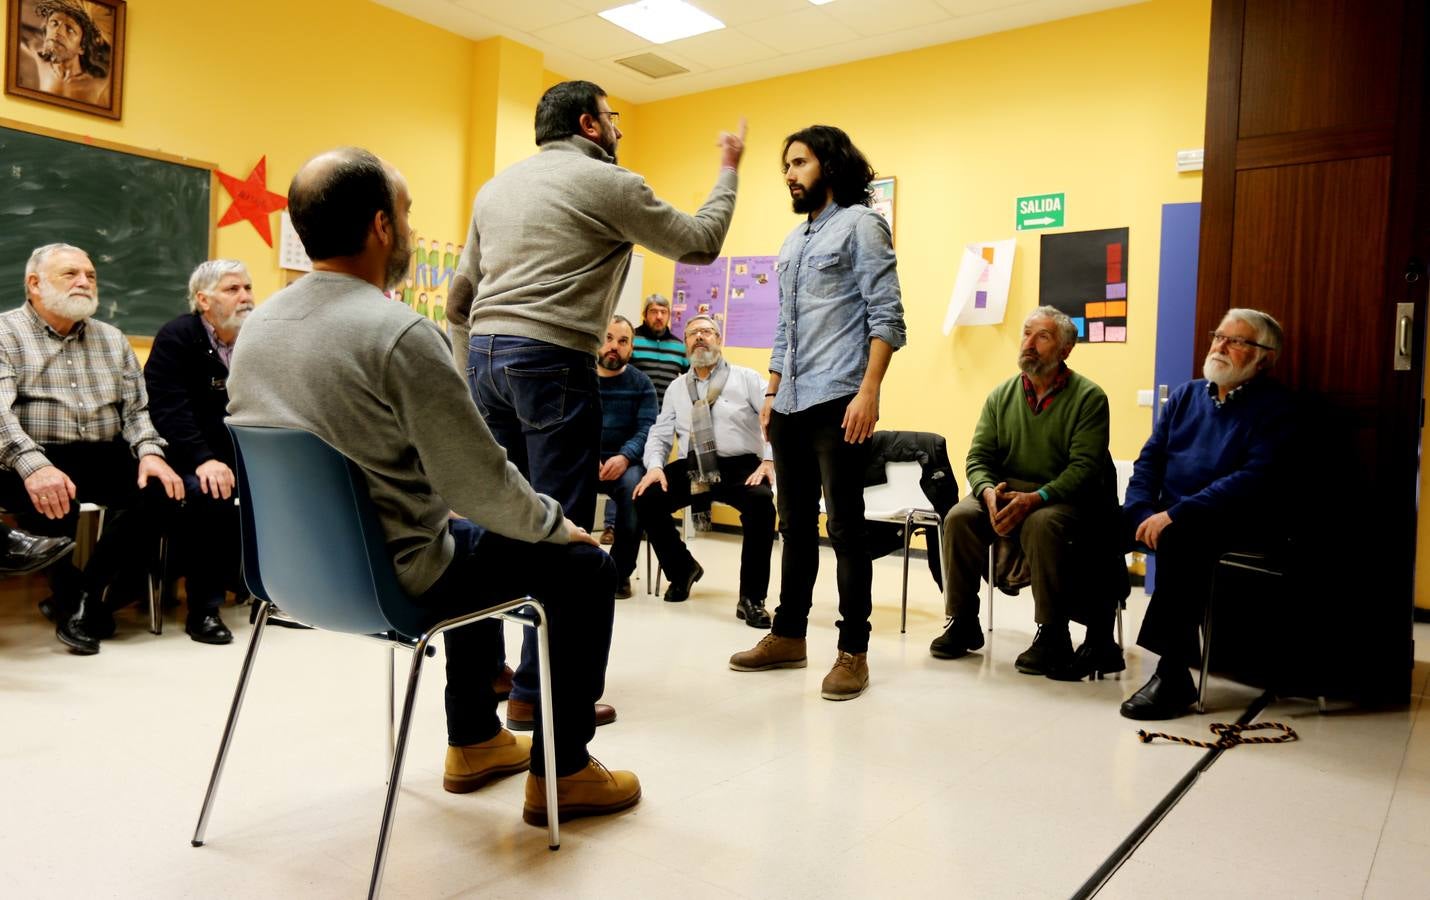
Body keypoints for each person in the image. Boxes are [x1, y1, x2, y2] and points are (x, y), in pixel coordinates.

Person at [226, 146, 639, 826]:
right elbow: (477, 481)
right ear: (382, 227)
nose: (412, 231)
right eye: (409, 214)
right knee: (583, 567)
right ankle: (563, 773)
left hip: (289, 579)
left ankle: (476, 741)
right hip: (396, 578)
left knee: (461, 537)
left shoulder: (257, 329)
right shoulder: (396, 331)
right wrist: (551, 523)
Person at [447, 79, 746, 728]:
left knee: (493, 518)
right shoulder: (611, 183)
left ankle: (486, 671)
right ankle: (534, 694)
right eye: (612, 119)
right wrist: (728, 171)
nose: (617, 130)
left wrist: (467, 371)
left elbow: (457, 300)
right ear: (588, 124)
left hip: (484, 360)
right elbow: (699, 241)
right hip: (552, 358)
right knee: (560, 530)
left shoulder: (493, 190)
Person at [729, 125, 905, 701]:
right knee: (794, 526)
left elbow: (887, 314)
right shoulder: (791, 241)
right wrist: (772, 392)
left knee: (847, 528)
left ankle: (853, 650)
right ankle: (788, 634)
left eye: (799, 163)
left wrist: (870, 391)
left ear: (828, 165)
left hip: (840, 399)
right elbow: (784, 326)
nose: (789, 174)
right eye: (785, 165)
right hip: (793, 403)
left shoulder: (863, 225)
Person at [0, 243, 185, 655]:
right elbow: (0, 414)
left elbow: (136, 411)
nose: (85, 281)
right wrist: (34, 466)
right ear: (34, 283)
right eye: (71, 274)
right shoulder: (5, 332)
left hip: (102, 451)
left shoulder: (112, 339)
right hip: (30, 454)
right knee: (53, 498)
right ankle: (72, 598)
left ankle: (89, 594)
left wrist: (151, 453)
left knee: (165, 489)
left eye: (90, 275)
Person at [930, 306, 1128, 681]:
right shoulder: (1001, 395)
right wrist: (987, 492)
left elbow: (1085, 469)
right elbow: (979, 456)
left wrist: (1036, 498)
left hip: (1064, 498)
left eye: (1043, 337)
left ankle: (1052, 634)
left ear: (1065, 350)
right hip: (1005, 492)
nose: (1029, 344)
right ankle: (962, 621)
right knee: (959, 517)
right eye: (1026, 334)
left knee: (1042, 523)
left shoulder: (1089, 398)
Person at [1119, 309, 1290, 720]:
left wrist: (1175, 514)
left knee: (1182, 540)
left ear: (1263, 357)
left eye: (1236, 341)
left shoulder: (1277, 407)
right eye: (1218, 336)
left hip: (1234, 520)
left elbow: (1251, 479)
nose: (1220, 346)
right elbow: (1150, 460)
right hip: (1170, 512)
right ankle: (1095, 641)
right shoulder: (1186, 396)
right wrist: (1141, 509)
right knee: (1093, 525)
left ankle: (1174, 674)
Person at [634, 314, 776, 627]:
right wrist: (654, 467)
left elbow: (773, 418)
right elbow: (660, 432)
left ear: (719, 339)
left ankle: (751, 598)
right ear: (685, 344)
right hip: (693, 465)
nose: (700, 337)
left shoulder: (747, 379)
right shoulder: (675, 388)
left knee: (762, 504)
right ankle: (682, 569)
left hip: (740, 465)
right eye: (692, 333)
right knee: (647, 497)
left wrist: (768, 461)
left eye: (707, 332)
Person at [143, 259, 256, 645]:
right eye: (232, 289)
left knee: (287, 490)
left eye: (247, 288)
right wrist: (204, 458)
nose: (245, 297)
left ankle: (266, 592)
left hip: (239, 455)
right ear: (203, 300)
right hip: (185, 454)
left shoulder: (254, 339)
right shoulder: (178, 336)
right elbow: (168, 410)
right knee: (212, 493)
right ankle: (204, 610)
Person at [594, 315, 656, 598]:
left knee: (635, 492)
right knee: (558, 487)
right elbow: (568, 424)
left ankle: (619, 574)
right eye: (608, 338)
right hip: (586, 460)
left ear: (631, 348)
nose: (613, 347)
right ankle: (574, 567)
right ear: (597, 341)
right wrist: (586, 456)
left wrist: (624, 456)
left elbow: (647, 428)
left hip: (626, 461)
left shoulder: (642, 384)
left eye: (622, 341)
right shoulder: (580, 379)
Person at [18, 0, 114, 107]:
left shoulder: (99, 87)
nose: (58, 31)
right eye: (54, 23)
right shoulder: (39, 55)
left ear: (82, 47)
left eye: (70, 30)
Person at [631, 293, 689, 399]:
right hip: (635, 410)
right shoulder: (630, 339)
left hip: (667, 412)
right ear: (645, 314)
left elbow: (693, 377)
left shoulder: (680, 346)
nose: (659, 316)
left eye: (663, 312)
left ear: (669, 316)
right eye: (654, 311)